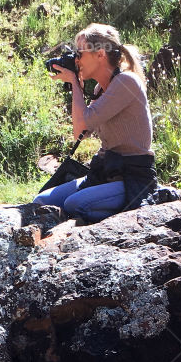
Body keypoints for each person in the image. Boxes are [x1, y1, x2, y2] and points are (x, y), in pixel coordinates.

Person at [34, 23, 158, 222]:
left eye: (80, 54)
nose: (76, 59)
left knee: (74, 204)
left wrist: (74, 83)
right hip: (105, 172)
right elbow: (79, 132)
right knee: (41, 201)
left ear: (100, 54)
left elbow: (83, 125)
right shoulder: (101, 89)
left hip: (132, 176)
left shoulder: (126, 82)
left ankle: (149, 202)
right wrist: (77, 86)